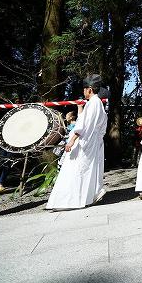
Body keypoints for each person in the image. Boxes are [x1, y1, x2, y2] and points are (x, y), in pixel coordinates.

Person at [46, 74, 107, 210]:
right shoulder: (98, 105)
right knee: (87, 171)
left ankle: (71, 200)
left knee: (76, 170)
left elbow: (83, 125)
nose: (83, 91)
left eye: (85, 89)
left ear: (90, 89)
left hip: (84, 141)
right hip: (92, 142)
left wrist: (72, 140)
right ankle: (85, 197)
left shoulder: (93, 103)